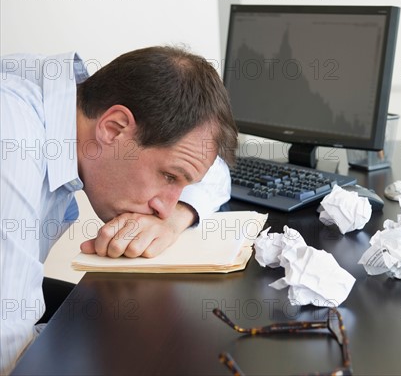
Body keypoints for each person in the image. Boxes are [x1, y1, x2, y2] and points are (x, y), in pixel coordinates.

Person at [0, 46, 238, 374]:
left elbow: (215, 172)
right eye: (168, 177)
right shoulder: (12, 139)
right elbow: (8, 357)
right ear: (112, 128)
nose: (163, 207)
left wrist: (174, 221)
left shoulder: (70, 105)